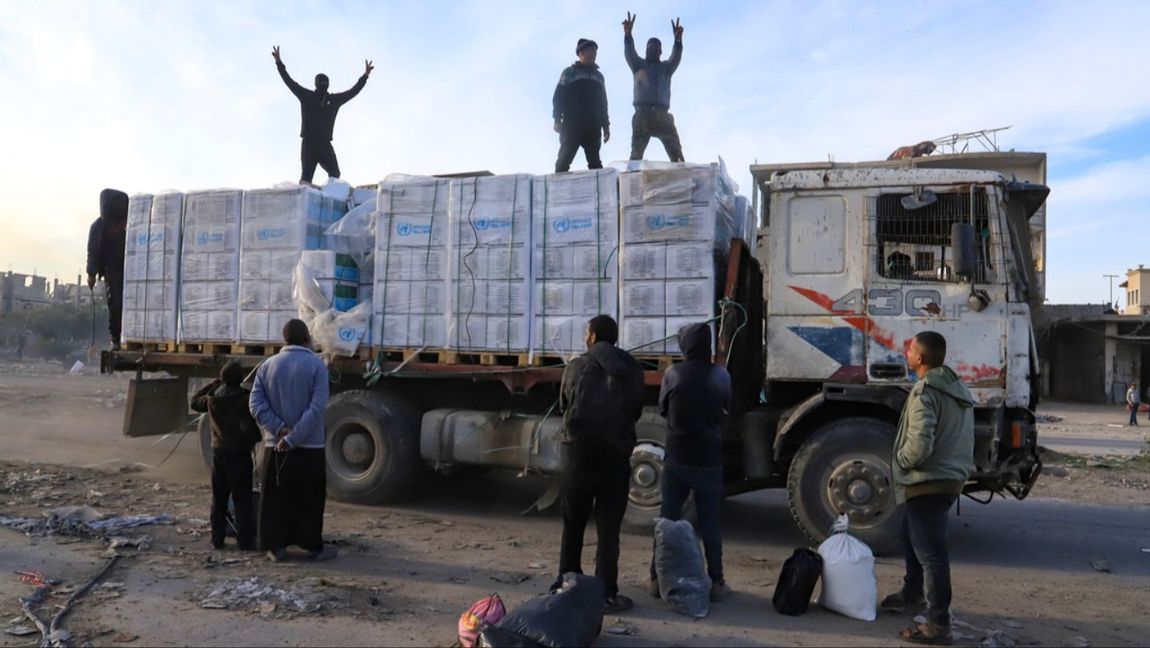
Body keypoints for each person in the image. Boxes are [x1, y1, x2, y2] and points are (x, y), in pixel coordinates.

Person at [881, 331, 974, 646]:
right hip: (948, 479)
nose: (906, 353)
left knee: (932, 555)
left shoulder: (925, 391)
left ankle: (938, 625)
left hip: (927, 481)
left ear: (920, 358)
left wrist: (901, 463)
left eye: (910, 350)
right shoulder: (955, 387)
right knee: (912, 536)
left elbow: (919, 445)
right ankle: (911, 595)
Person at [554, 315, 645, 613]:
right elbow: (636, 409)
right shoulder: (632, 368)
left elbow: (564, 405)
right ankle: (606, 593)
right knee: (608, 529)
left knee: (574, 524)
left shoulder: (576, 366)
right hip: (615, 456)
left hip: (579, 455)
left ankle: (567, 583)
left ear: (592, 337)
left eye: (586, 332)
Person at [647, 323, 733, 602]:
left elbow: (662, 408)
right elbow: (726, 408)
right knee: (710, 522)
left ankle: (656, 578)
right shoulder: (721, 375)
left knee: (668, 519)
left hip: (678, 457)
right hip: (709, 458)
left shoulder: (673, 373)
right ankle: (717, 581)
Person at [249, 319, 334, 562]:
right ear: (307, 338)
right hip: (310, 446)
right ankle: (311, 547)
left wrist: (279, 429)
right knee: (309, 498)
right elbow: (317, 407)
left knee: (275, 499)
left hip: (274, 446)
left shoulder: (267, 366)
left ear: (283, 339)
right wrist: (295, 437)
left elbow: (255, 404)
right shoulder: (317, 366)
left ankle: (276, 548)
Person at [272, 46, 373, 185]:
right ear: (316, 83)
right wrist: (279, 62)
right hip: (309, 143)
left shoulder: (334, 100)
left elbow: (352, 92)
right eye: (321, 82)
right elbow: (289, 82)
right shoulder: (307, 96)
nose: (323, 85)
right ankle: (305, 199)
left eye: (325, 83)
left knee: (335, 173)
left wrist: (365, 76)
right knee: (306, 178)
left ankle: (332, 194)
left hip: (324, 144)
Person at [191, 361, 262, 551]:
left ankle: (217, 539)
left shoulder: (212, 398)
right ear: (240, 379)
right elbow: (250, 430)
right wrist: (256, 438)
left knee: (219, 498)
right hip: (239, 454)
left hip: (218, 453)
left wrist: (213, 384)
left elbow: (194, 401)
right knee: (242, 499)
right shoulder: (244, 399)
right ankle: (245, 541)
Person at [622, 12, 685, 162]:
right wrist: (628, 35)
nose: (653, 48)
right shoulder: (638, 65)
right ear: (646, 49)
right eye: (650, 45)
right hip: (643, 114)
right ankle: (632, 182)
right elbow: (629, 52)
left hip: (663, 115)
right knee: (636, 157)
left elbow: (675, 57)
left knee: (677, 157)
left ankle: (683, 180)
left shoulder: (666, 68)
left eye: (656, 46)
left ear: (661, 51)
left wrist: (677, 41)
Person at [552, 38, 610, 173]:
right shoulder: (569, 72)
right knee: (563, 160)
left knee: (595, 163)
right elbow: (558, 97)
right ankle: (557, 191)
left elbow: (603, 103)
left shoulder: (599, 77)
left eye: (595, 52)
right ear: (581, 53)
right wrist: (556, 119)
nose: (594, 54)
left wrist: (606, 125)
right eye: (590, 51)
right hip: (572, 125)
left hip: (593, 126)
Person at [85, 189, 130, 350]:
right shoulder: (98, 227)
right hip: (112, 268)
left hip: (131, 267)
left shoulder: (130, 223)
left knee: (131, 302)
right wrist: (91, 273)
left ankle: (131, 335)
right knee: (116, 302)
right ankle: (116, 339)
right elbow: (93, 251)